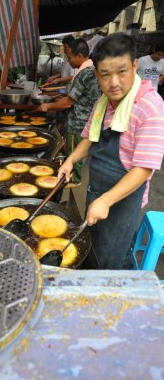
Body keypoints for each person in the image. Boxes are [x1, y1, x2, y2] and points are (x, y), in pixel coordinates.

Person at [58, 33, 164, 269]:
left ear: (135, 65)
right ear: (97, 74)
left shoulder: (150, 107)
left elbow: (144, 169)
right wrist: (71, 159)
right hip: (97, 190)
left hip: (124, 199)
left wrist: (106, 201)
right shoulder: (103, 103)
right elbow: (89, 138)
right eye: (105, 74)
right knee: (91, 245)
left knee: (110, 258)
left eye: (122, 71)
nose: (113, 82)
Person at [38, 38, 101, 185]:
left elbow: (68, 102)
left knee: (75, 151)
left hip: (79, 120)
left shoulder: (86, 73)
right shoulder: (91, 68)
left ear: (80, 56)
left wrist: (48, 106)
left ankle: (74, 180)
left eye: (70, 57)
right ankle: (74, 176)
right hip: (88, 118)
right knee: (79, 149)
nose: (69, 61)